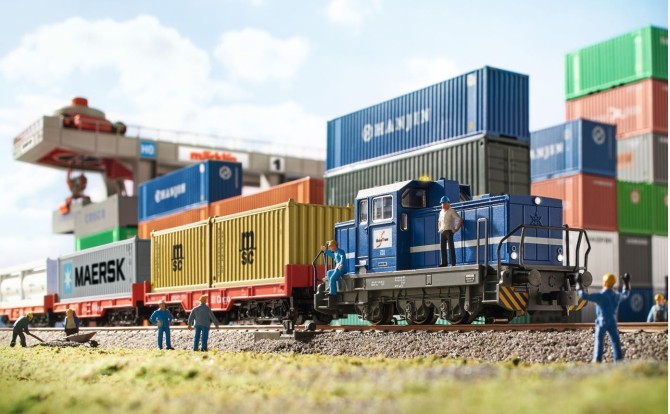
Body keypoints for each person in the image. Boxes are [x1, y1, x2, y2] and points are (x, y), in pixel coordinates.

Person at [576, 272, 631, 363]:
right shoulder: (616, 296)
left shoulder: (600, 296)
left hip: (602, 321)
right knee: (615, 341)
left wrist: (578, 284)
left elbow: (584, 296)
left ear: (604, 283)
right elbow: (625, 294)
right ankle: (618, 360)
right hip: (612, 321)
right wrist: (626, 283)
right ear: (613, 283)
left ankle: (597, 360)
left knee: (599, 340)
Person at [437, 196, 463, 267]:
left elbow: (460, 220)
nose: (443, 205)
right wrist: (439, 229)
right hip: (442, 231)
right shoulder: (441, 212)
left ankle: (453, 262)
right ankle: (444, 262)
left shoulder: (452, 211)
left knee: (451, 247)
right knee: (442, 247)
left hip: (449, 231)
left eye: (444, 203)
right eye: (442, 203)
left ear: (448, 203)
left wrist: (456, 229)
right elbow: (439, 221)